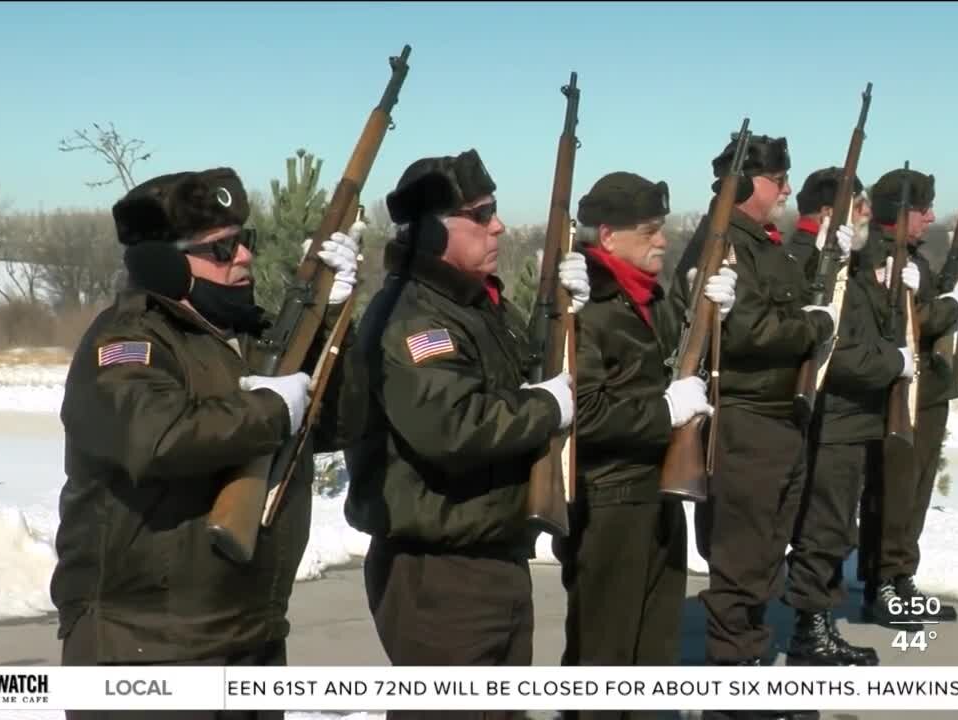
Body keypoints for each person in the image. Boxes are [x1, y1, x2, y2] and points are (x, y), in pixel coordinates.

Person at [50, 167, 367, 720]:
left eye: (246, 240)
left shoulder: (238, 339)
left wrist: (332, 322)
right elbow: (155, 436)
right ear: (164, 264)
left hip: (247, 639)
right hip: (147, 654)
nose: (243, 256)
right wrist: (270, 409)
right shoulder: (127, 341)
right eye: (221, 249)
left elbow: (338, 423)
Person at [343, 149, 583, 689]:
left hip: (489, 555)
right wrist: (548, 407)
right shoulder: (414, 316)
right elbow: (453, 424)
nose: (497, 225)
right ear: (431, 232)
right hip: (438, 573)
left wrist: (573, 320)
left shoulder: (472, 304)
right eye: (481, 213)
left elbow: (522, 376)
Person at [673, 132, 841, 720]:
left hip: (778, 422)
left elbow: (779, 295)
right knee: (741, 559)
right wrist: (813, 328)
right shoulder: (721, 246)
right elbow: (744, 333)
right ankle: (733, 683)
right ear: (745, 185)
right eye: (776, 180)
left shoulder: (761, 244)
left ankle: (748, 668)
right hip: (743, 424)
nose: (786, 190)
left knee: (766, 554)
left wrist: (823, 253)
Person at [553, 172, 736, 707]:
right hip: (608, 501)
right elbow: (583, 412)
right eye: (650, 230)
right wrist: (663, 411)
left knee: (654, 656)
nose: (662, 239)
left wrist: (716, 319)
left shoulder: (648, 298)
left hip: (655, 492)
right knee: (603, 661)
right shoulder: (586, 306)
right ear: (608, 236)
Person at [858, 167, 958, 627]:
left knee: (918, 489)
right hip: (899, 393)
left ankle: (902, 575)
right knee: (895, 490)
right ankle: (883, 582)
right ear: (900, 212)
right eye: (922, 209)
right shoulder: (880, 257)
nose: (930, 218)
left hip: (929, 391)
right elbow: (916, 320)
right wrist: (954, 304)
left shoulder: (911, 258)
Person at [780, 167, 885, 666]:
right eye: (859, 204)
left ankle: (817, 621)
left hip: (851, 418)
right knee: (823, 528)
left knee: (835, 526)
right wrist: (892, 365)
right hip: (832, 419)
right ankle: (809, 630)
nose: (867, 214)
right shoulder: (808, 261)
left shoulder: (846, 261)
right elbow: (832, 350)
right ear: (830, 211)